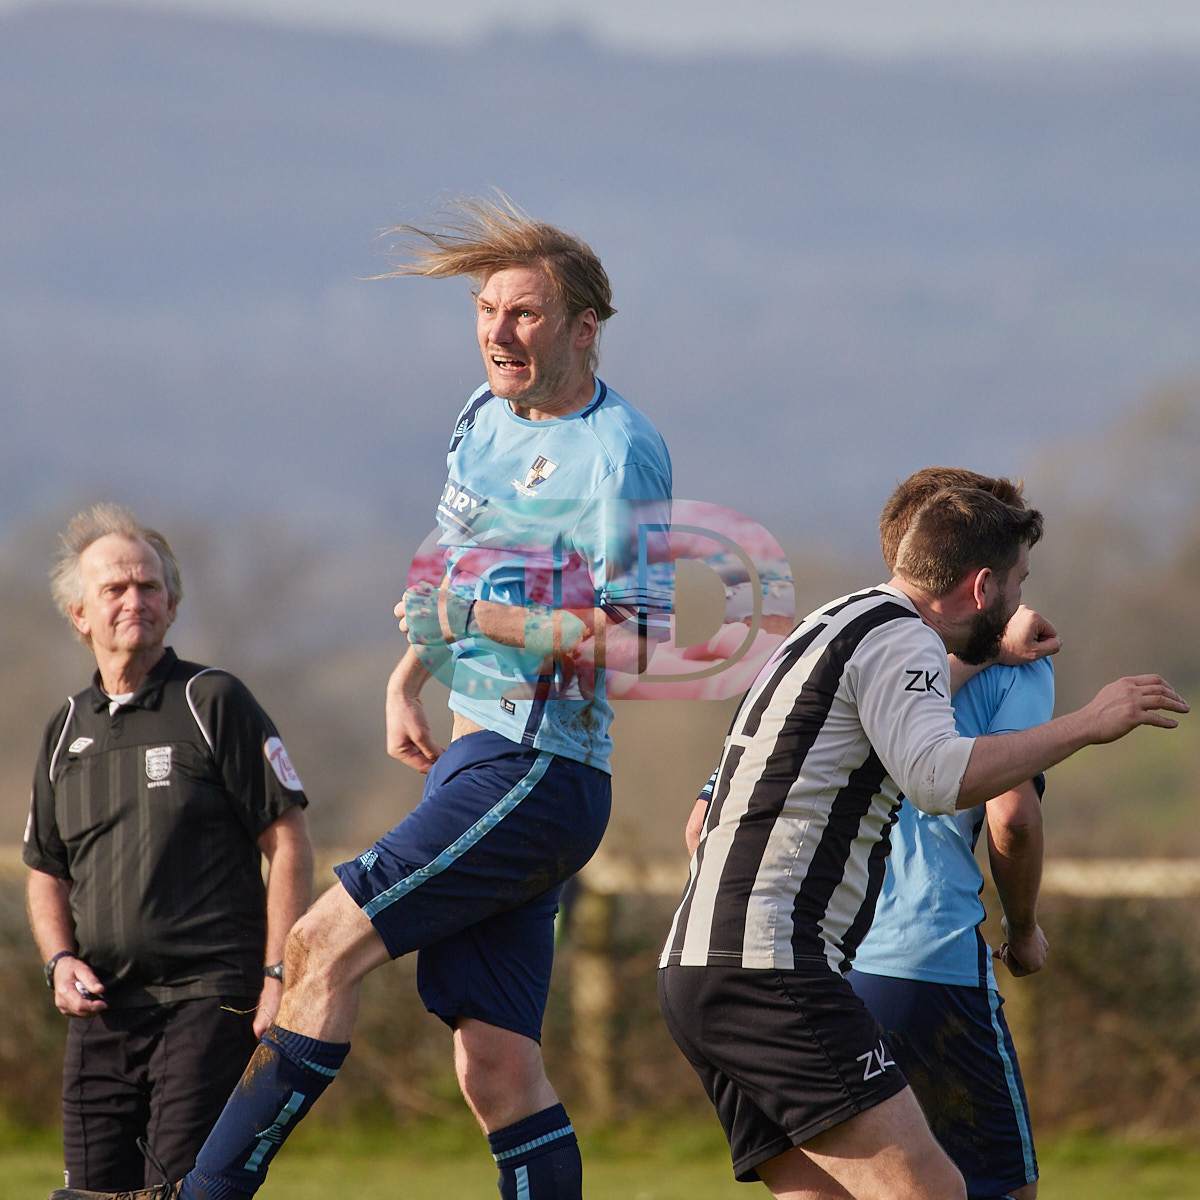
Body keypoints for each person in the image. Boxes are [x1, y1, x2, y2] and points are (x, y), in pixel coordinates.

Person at [58, 199, 672, 1200]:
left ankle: (199, 1194)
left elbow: (637, 635)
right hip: (479, 758)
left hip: (541, 769)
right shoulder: (482, 418)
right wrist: (409, 674)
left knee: (318, 944)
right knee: (495, 1069)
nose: (497, 332)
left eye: (523, 313)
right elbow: (451, 572)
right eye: (485, 310)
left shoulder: (619, 451)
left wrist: (480, 619)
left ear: (583, 327)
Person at [659, 483, 1186, 1200]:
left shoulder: (839, 621)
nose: (1022, 600)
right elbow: (939, 778)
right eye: (1019, 582)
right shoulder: (902, 638)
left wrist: (989, 653)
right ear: (983, 586)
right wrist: (1090, 722)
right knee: (931, 1188)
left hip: (695, 964)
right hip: (774, 966)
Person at [24, 504, 313, 1195]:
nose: (135, 600)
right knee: (91, 1191)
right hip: (103, 1011)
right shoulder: (65, 729)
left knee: (178, 1190)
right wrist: (60, 961)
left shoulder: (212, 701)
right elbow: (45, 871)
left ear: (172, 604)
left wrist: (279, 975)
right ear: (79, 614)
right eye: (115, 588)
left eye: (149, 586)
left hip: (208, 1001)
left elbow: (288, 841)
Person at [848, 468, 1051, 1200]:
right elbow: (1011, 817)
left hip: (812, 964)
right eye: (1017, 577)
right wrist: (1022, 930)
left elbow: (704, 825)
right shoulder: (1013, 665)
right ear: (982, 579)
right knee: (996, 1188)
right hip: (927, 961)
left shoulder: (824, 650)